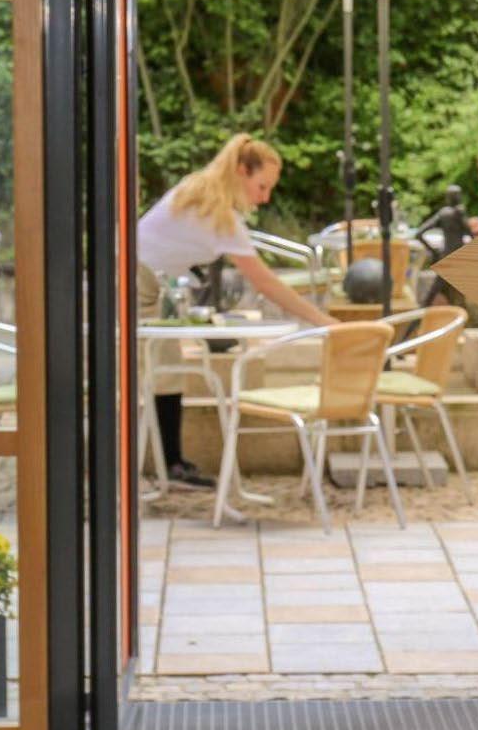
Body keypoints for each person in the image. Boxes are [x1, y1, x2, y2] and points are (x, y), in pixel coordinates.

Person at [138, 134, 334, 488]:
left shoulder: (197, 192)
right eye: (262, 186)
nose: (265, 197)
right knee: (151, 375)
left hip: (140, 279)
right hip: (137, 285)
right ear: (242, 171)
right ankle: (157, 468)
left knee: (165, 373)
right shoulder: (218, 215)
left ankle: (171, 465)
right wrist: (323, 321)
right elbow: (267, 283)